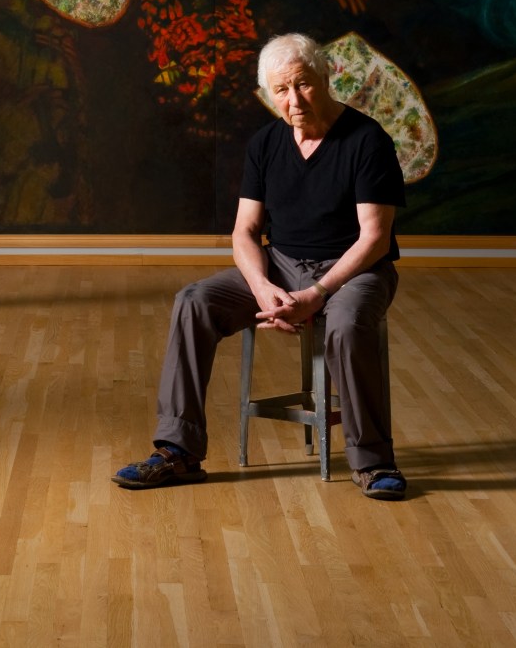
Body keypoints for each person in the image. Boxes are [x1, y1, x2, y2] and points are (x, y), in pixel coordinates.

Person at [112, 32, 408, 500]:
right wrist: (263, 286)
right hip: (282, 264)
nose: (293, 100)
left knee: (347, 323)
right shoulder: (266, 144)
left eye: (303, 85)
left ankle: (373, 462)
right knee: (193, 302)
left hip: (355, 271)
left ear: (325, 79)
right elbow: (245, 232)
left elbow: (374, 238)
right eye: (281, 90)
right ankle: (178, 451)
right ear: (268, 94)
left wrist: (318, 294)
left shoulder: (367, 140)